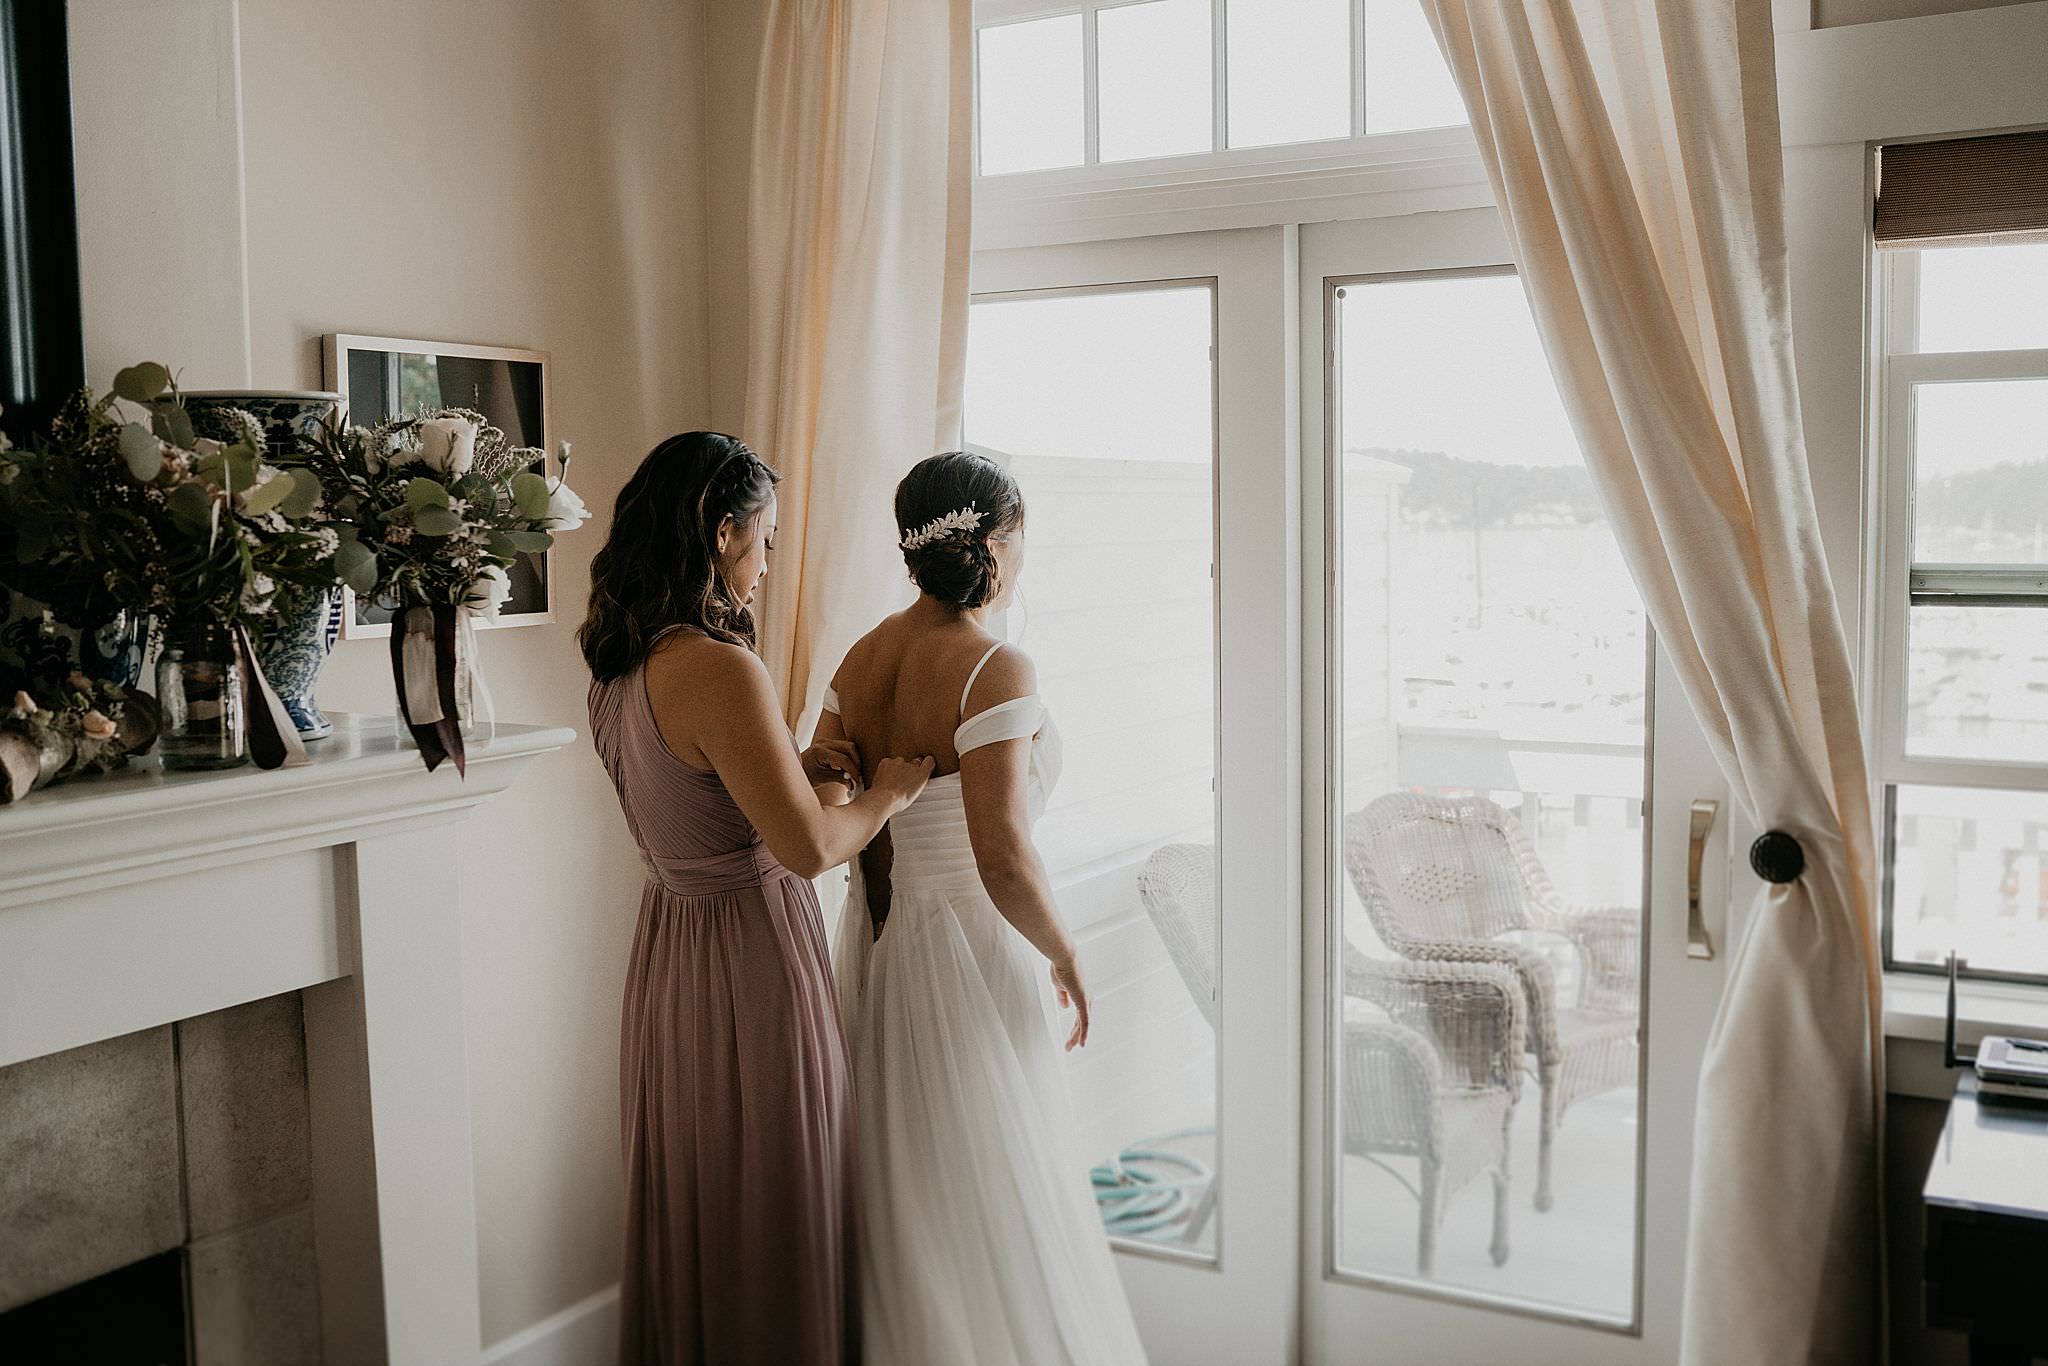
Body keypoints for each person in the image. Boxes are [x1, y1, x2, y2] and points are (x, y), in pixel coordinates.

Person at [580, 431, 932, 1366]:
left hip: (669, 962)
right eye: (766, 539)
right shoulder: (720, 667)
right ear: (721, 529)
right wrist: (884, 793)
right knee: (779, 1190)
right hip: (749, 960)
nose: (770, 564)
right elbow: (810, 849)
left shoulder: (618, 668)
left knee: (701, 1192)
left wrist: (797, 767)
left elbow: (702, 795)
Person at [822, 450, 1149, 1366]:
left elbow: (823, 791)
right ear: (996, 547)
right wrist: (1066, 952)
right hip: (965, 951)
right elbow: (1001, 856)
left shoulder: (863, 655)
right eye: (1021, 539)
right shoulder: (993, 667)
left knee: (909, 1191)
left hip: (875, 945)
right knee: (996, 1189)